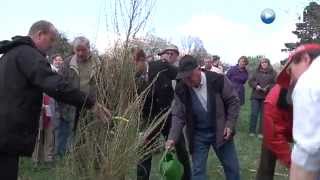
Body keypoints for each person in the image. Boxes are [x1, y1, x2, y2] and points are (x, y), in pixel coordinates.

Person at [0, 20, 106, 180]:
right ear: (39, 34)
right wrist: (90, 103)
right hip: (7, 133)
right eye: (51, 39)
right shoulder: (28, 54)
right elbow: (55, 84)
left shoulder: (11, 54)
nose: (52, 45)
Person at [166, 55, 240, 180]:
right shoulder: (181, 89)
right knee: (198, 172)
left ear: (198, 69)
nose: (187, 82)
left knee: (232, 168)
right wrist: (172, 138)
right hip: (198, 135)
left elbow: (233, 101)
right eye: (184, 78)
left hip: (221, 131)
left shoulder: (218, 80)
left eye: (189, 77)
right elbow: (178, 115)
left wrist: (230, 124)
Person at [136, 46, 191, 180]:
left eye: (135, 63)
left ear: (142, 60)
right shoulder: (135, 76)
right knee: (144, 152)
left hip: (168, 117)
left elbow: (180, 76)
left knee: (179, 148)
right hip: (149, 120)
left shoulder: (161, 66)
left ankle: (187, 176)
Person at [277, 43, 320, 180]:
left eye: (290, 70)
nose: (291, 79)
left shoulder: (308, 81)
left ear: (306, 59)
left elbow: (309, 149)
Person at [56, 36, 103, 157]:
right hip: (69, 106)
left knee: (86, 134)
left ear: (89, 48)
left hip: (90, 105)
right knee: (66, 134)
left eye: (83, 50)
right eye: (78, 50)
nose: (80, 53)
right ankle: (64, 161)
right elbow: (59, 85)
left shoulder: (98, 63)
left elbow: (105, 83)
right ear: (74, 49)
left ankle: (83, 159)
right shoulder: (67, 63)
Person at [255, 84, 293, 180]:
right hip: (277, 128)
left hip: (304, 129)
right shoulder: (274, 99)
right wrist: (292, 162)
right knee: (266, 165)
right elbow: (274, 136)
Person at [248, 58, 277, 137]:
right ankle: (252, 131)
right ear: (260, 64)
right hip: (255, 96)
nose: (263, 64)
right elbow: (250, 81)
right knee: (254, 114)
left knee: (263, 115)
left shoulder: (273, 73)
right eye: (262, 63)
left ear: (268, 63)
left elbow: (275, 83)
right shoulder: (256, 72)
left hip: (266, 97)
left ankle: (261, 132)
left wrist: (268, 87)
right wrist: (256, 85)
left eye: (265, 63)